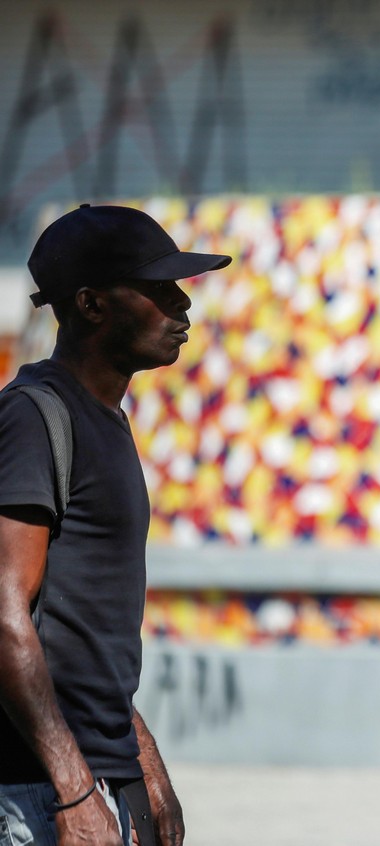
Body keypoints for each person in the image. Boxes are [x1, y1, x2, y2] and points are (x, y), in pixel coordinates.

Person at [0, 204, 231, 846]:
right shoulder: (34, 417)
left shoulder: (105, 421)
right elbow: (4, 611)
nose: (182, 306)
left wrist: (143, 763)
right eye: (158, 289)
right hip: (37, 794)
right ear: (93, 305)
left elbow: (79, 641)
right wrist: (74, 791)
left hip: (97, 781)